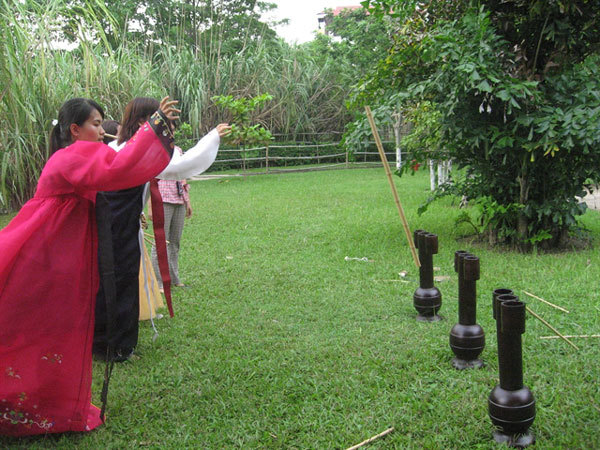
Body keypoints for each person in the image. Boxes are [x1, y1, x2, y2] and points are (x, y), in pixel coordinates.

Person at [0, 96, 179, 436]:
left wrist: (153, 129)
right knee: (36, 322)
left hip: (52, 249)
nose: (101, 131)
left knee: (44, 323)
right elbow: (120, 168)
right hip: (47, 250)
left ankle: (45, 401)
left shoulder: (69, 156)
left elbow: (122, 163)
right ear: (74, 129)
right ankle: (40, 403)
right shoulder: (73, 155)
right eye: (96, 125)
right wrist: (153, 127)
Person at [93, 97, 230, 362]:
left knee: (118, 285)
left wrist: (212, 136)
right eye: (162, 123)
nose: (167, 129)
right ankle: (114, 348)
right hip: (113, 231)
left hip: (122, 229)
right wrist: (212, 137)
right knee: (115, 285)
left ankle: (114, 345)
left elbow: (179, 162)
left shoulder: (126, 148)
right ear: (146, 122)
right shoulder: (122, 149)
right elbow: (180, 165)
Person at [148, 160, 191, 291]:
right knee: (161, 242)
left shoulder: (178, 151)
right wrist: (151, 205)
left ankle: (174, 277)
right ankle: (159, 281)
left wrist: (187, 201)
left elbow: (182, 177)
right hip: (162, 200)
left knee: (175, 242)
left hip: (179, 200)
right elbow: (150, 179)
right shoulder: (156, 152)